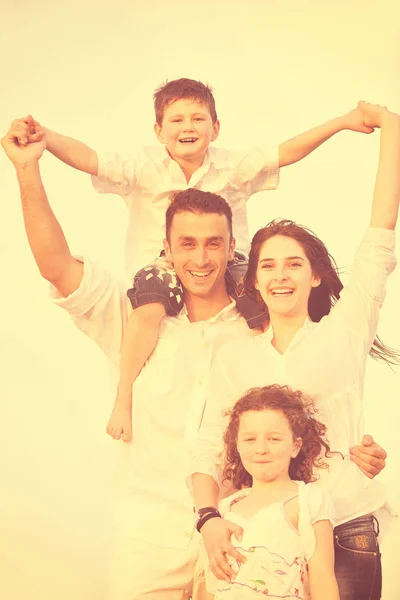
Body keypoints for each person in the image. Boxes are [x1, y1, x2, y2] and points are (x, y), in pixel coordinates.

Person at [1, 123, 387, 599]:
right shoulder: (131, 318)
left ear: (231, 249)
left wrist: (351, 455)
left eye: (213, 244)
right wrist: (26, 171)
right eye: (186, 244)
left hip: (247, 535)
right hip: (150, 538)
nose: (200, 258)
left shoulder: (257, 332)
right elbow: (56, 266)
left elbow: (308, 404)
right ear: (167, 248)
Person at [17, 78, 376, 444]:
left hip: (232, 262)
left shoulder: (231, 167)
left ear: (215, 128)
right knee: (148, 311)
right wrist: (46, 138)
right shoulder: (142, 166)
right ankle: (123, 394)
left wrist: (342, 122)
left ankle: (280, 396)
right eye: (176, 120)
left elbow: (287, 151)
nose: (187, 127)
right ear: (158, 131)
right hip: (159, 265)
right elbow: (89, 158)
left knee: (265, 317)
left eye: (197, 119)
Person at [190, 102, 399, 600]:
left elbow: (379, 237)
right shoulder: (234, 351)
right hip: (260, 532)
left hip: (346, 524)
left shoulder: (345, 329)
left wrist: (391, 128)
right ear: (254, 280)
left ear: (316, 274)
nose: (280, 276)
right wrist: (207, 518)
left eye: (293, 264)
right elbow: (210, 442)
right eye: (268, 266)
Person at [206, 385, 339, 600]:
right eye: (250, 439)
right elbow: (212, 586)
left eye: (274, 439)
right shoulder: (224, 509)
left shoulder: (309, 501)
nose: (261, 449)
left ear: (295, 446)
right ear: (237, 445)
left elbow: (323, 581)